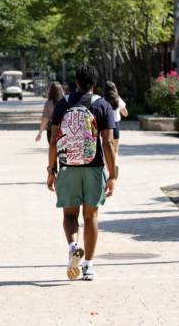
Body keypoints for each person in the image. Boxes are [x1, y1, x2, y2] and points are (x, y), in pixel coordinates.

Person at [47, 64, 116, 282]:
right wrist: (112, 174)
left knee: (69, 215)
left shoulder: (62, 104)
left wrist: (51, 170)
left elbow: (53, 142)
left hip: (68, 167)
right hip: (94, 167)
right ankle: (88, 266)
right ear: (95, 84)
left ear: (75, 82)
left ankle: (73, 246)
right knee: (91, 215)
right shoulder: (103, 105)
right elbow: (108, 143)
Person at [103, 81, 127, 177]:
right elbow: (126, 113)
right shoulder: (118, 99)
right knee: (115, 150)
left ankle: (108, 171)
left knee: (106, 149)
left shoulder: (102, 100)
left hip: (105, 126)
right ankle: (115, 163)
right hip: (116, 124)